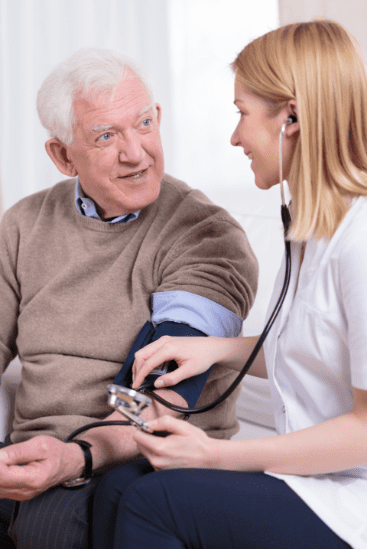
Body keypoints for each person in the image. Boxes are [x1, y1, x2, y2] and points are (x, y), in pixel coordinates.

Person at [92, 20, 367, 549]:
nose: (235, 136)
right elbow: (317, 350)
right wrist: (214, 349)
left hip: (350, 498)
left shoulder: (359, 243)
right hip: (313, 479)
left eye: (242, 113)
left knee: (155, 503)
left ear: (293, 116)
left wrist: (214, 454)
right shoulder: (309, 227)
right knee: (122, 483)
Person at [0, 48, 258, 548]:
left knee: (48, 529)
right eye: (105, 136)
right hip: (31, 453)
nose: (136, 152)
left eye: (143, 123)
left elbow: (161, 398)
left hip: (135, 457)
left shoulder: (205, 234)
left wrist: (73, 458)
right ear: (62, 156)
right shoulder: (22, 225)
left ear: (158, 118)